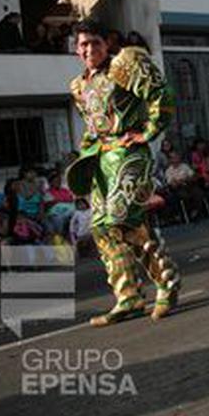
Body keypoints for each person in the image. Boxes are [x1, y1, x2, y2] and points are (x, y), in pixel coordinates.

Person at [66, 20, 181, 326]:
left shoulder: (125, 65)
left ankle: (167, 284)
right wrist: (84, 161)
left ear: (107, 43)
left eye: (94, 42)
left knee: (126, 221)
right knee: (103, 229)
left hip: (130, 153)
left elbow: (161, 93)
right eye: (82, 45)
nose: (88, 49)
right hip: (101, 160)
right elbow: (91, 127)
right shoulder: (79, 85)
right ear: (76, 50)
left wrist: (149, 131)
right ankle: (128, 296)